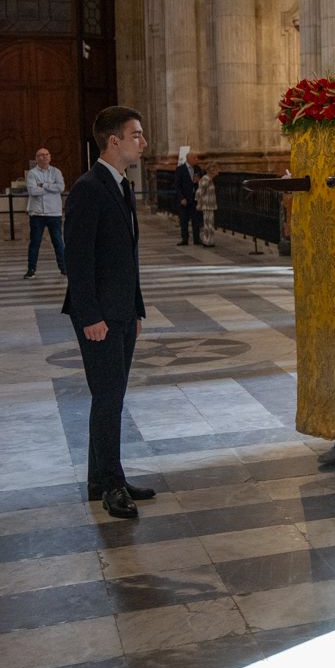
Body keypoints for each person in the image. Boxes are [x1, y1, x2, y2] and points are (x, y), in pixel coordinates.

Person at [65, 106, 154, 520]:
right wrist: (90, 317)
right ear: (113, 141)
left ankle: (102, 477)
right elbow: (78, 261)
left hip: (121, 310)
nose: (143, 141)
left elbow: (127, 258)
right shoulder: (88, 187)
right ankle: (111, 484)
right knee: (108, 399)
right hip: (99, 315)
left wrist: (134, 307)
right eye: (136, 135)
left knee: (111, 398)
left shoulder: (120, 185)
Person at [24, 146, 66, 278]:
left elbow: (61, 188)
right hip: (37, 213)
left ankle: (64, 268)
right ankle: (31, 269)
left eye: (47, 154)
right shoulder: (32, 173)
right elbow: (32, 191)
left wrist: (43, 185)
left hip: (54, 212)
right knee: (35, 242)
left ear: (50, 157)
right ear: (37, 158)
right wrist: (49, 187)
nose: (44, 157)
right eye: (41, 155)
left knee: (58, 241)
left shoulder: (56, 172)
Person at [174, 152, 201, 246]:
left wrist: (198, 182)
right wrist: (181, 198)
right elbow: (177, 185)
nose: (197, 159)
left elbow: (200, 183)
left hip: (195, 198)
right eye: (195, 158)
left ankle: (197, 238)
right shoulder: (180, 169)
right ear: (189, 159)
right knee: (184, 220)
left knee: (196, 219)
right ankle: (184, 239)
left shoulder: (197, 169)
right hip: (184, 199)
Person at [194, 163, 218, 248]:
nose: (217, 171)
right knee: (208, 223)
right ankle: (207, 240)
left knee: (210, 223)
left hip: (210, 204)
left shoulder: (209, 179)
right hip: (207, 204)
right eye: (215, 169)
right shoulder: (206, 179)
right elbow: (199, 191)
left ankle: (210, 240)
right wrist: (199, 202)